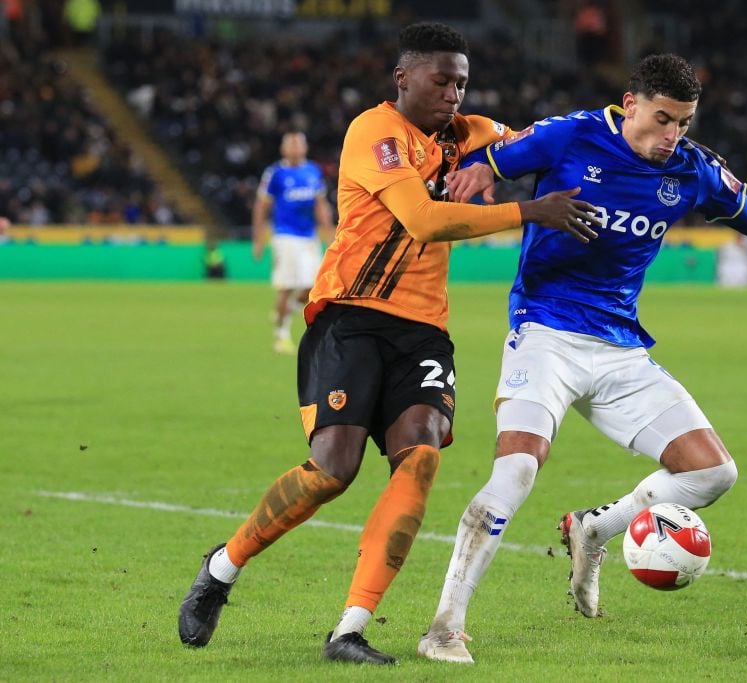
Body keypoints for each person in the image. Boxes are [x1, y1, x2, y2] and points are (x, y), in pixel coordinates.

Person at [417, 54, 747, 664]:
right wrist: (476, 173)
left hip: (621, 348)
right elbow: (490, 161)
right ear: (630, 103)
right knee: (518, 471)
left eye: (684, 124)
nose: (673, 137)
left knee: (714, 473)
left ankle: (595, 529)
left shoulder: (692, 168)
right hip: (545, 332)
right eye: (663, 120)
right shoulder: (571, 134)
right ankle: (445, 627)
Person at [177, 21, 597, 666]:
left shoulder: (474, 135)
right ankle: (223, 568)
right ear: (403, 78)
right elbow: (424, 221)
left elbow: (549, 142)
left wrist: (630, 139)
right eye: (441, 79)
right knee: (332, 472)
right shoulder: (373, 133)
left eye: (462, 81)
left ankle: (349, 628)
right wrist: (525, 211)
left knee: (421, 457)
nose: (454, 93)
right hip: (351, 317)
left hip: (424, 329)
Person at [252, 132, 333, 354]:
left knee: (313, 287)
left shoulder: (313, 171)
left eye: (299, 144)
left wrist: (329, 232)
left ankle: (283, 312)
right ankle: (281, 334)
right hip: (285, 236)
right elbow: (262, 206)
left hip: (309, 237)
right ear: (283, 148)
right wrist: (258, 239)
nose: (296, 147)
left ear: (305, 148)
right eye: (291, 144)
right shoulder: (275, 173)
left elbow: (320, 204)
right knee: (287, 287)